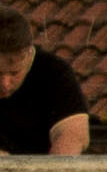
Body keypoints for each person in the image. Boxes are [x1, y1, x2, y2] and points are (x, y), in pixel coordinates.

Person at [0, 11, 86, 159]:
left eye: (14, 73)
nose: (5, 84)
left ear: (27, 54)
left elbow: (73, 134)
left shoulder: (55, 73)